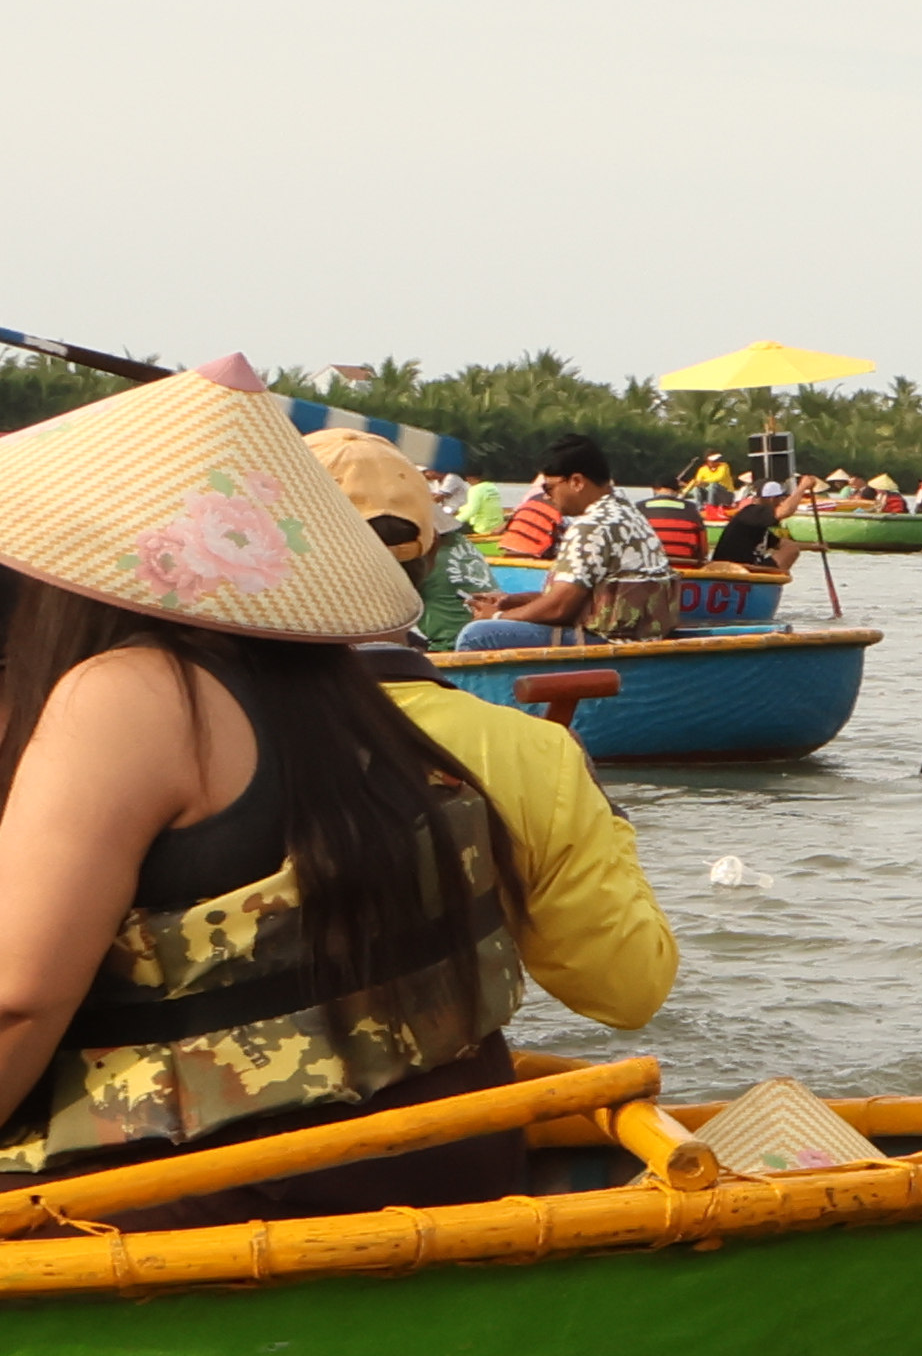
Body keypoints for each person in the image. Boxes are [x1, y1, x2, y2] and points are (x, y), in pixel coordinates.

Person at [0, 367, 534, 1212]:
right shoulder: (333, 693)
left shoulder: (130, 693)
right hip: (448, 1158)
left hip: (231, 1187)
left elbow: (14, 1001)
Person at [311, 430, 677, 1037]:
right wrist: (599, 814)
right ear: (428, 562)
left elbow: (561, 608)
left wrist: (502, 613)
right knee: (483, 633)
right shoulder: (538, 756)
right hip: (450, 1110)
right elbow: (630, 994)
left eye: (553, 484)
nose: (550, 494)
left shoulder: (156, 727)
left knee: (480, 638)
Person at [457, 437, 671, 647]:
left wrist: (497, 617)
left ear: (577, 482)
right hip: (640, 637)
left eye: (549, 488)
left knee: (477, 634)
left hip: (605, 642)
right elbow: (585, 597)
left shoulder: (591, 526)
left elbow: (559, 608)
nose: (547, 497)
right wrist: (513, 600)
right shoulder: (628, 513)